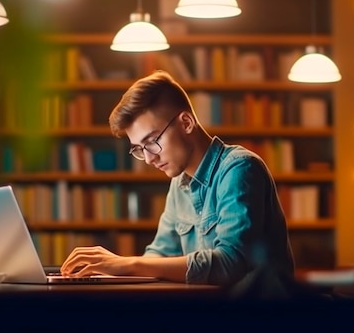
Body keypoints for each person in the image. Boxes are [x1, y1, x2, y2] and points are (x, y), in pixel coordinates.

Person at [60, 70, 295, 288]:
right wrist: (109, 273)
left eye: (152, 142)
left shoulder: (239, 168)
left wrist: (127, 264)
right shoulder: (179, 182)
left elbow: (230, 263)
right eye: (140, 149)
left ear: (186, 122)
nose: (150, 159)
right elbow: (159, 254)